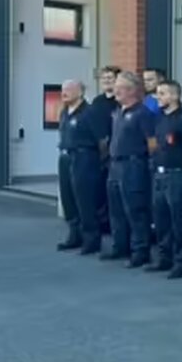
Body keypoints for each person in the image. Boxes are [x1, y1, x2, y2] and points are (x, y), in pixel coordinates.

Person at [146, 80, 182, 279]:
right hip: (160, 174)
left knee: (181, 221)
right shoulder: (159, 118)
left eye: (162, 93)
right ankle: (165, 258)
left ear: (175, 96)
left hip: (179, 174)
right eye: (158, 93)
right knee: (161, 220)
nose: (158, 97)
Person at [101, 71, 157, 267]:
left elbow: (152, 143)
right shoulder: (117, 112)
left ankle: (140, 251)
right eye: (116, 86)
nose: (116, 90)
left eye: (120, 87)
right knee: (116, 209)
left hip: (133, 165)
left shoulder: (143, 113)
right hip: (115, 165)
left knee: (135, 209)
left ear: (132, 90)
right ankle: (120, 247)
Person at [55, 79, 105, 256]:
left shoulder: (90, 112)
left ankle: (91, 239)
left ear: (80, 92)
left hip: (84, 157)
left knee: (84, 199)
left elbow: (101, 140)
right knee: (68, 198)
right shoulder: (64, 112)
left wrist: (96, 160)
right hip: (66, 156)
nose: (64, 92)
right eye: (63, 89)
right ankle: (74, 235)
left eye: (68, 89)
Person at [93, 65, 122, 238]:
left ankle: (115, 226)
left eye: (110, 78)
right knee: (100, 190)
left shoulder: (120, 103)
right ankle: (102, 224)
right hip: (99, 153)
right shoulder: (97, 102)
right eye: (104, 78)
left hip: (115, 153)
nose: (106, 81)